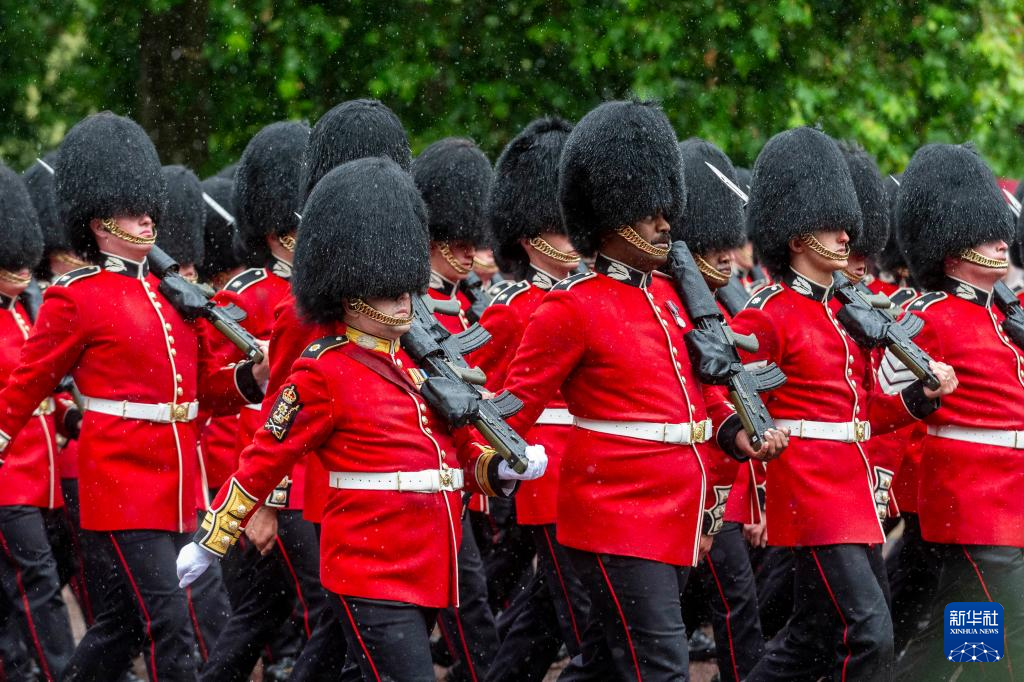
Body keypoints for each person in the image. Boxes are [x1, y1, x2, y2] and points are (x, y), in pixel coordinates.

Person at [176, 156, 547, 682]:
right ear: (349, 291)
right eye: (388, 291)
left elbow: (449, 452)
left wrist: (498, 467)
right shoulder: (323, 371)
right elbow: (264, 457)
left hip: (424, 560)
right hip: (370, 565)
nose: (403, 300)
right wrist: (211, 539)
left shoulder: (412, 364)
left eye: (404, 288)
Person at [500, 100, 787, 681]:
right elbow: (515, 407)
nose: (665, 224)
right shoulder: (571, 307)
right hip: (615, 514)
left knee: (607, 663)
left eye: (665, 210)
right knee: (661, 668)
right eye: (650, 212)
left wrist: (736, 435)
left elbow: (698, 396)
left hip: (674, 509)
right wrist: (485, 465)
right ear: (611, 216)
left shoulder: (668, 298)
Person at [0, 112, 269, 681]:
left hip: (175, 483)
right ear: (99, 221)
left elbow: (199, 394)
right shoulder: (77, 297)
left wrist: (252, 378)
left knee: (119, 625)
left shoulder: (169, 295)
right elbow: (27, 384)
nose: (148, 216)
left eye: (147, 206)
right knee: (172, 619)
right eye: (131, 208)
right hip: (119, 482)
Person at [728, 126, 957, 682]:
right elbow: (729, 391)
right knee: (871, 634)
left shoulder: (842, 313)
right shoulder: (773, 314)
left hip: (858, 489)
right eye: (830, 224)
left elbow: (863, 411)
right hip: (816, 490)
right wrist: (747, 479)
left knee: (820, 635)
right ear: (795, 235)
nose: (846, 235)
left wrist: (917, 401)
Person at [197, 120, 326, 682]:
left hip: (319, 473)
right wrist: (254, 371)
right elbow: (212, 395)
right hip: (271, 477)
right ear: (276, 231)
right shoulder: (245, 297)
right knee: (319, 611)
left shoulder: (329, 295)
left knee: (266, 611)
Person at [891, 143, 1023, 682]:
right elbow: (888, 397)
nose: (1001, 237)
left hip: (1008, 499)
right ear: (950, 250)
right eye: (983, 232)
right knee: (1010, 627)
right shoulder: (928, 316)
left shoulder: (1004, 316)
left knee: (968, 637)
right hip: (970, 503)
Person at [473, 116, 590, 682]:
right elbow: (477, 395)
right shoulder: (512, 307)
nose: (574, 239)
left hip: (590, 471)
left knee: (539, 624)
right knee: (590, 634)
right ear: (530, 236)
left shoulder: (584, 297)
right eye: (561, 227)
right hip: (544, 476)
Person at [411, 136, 507, 681]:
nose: (471, 249)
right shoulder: (413, 305)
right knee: (467, 617)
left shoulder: (460, 304)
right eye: (458, 237)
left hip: (461, 483)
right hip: (429, 484)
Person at [674, 137, 766, 682]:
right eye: (714, 246)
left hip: (726, 482)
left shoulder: (728, 309)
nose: (728, 256)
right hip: (693, 480)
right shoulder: (672, 308)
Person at [0, 162, 75, 682]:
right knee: (39, 582)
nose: (24, 267)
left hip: (39, 470)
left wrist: (70, 414)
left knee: (18, 584)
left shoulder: (23, 312)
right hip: (8, 474)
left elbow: (44, 388)